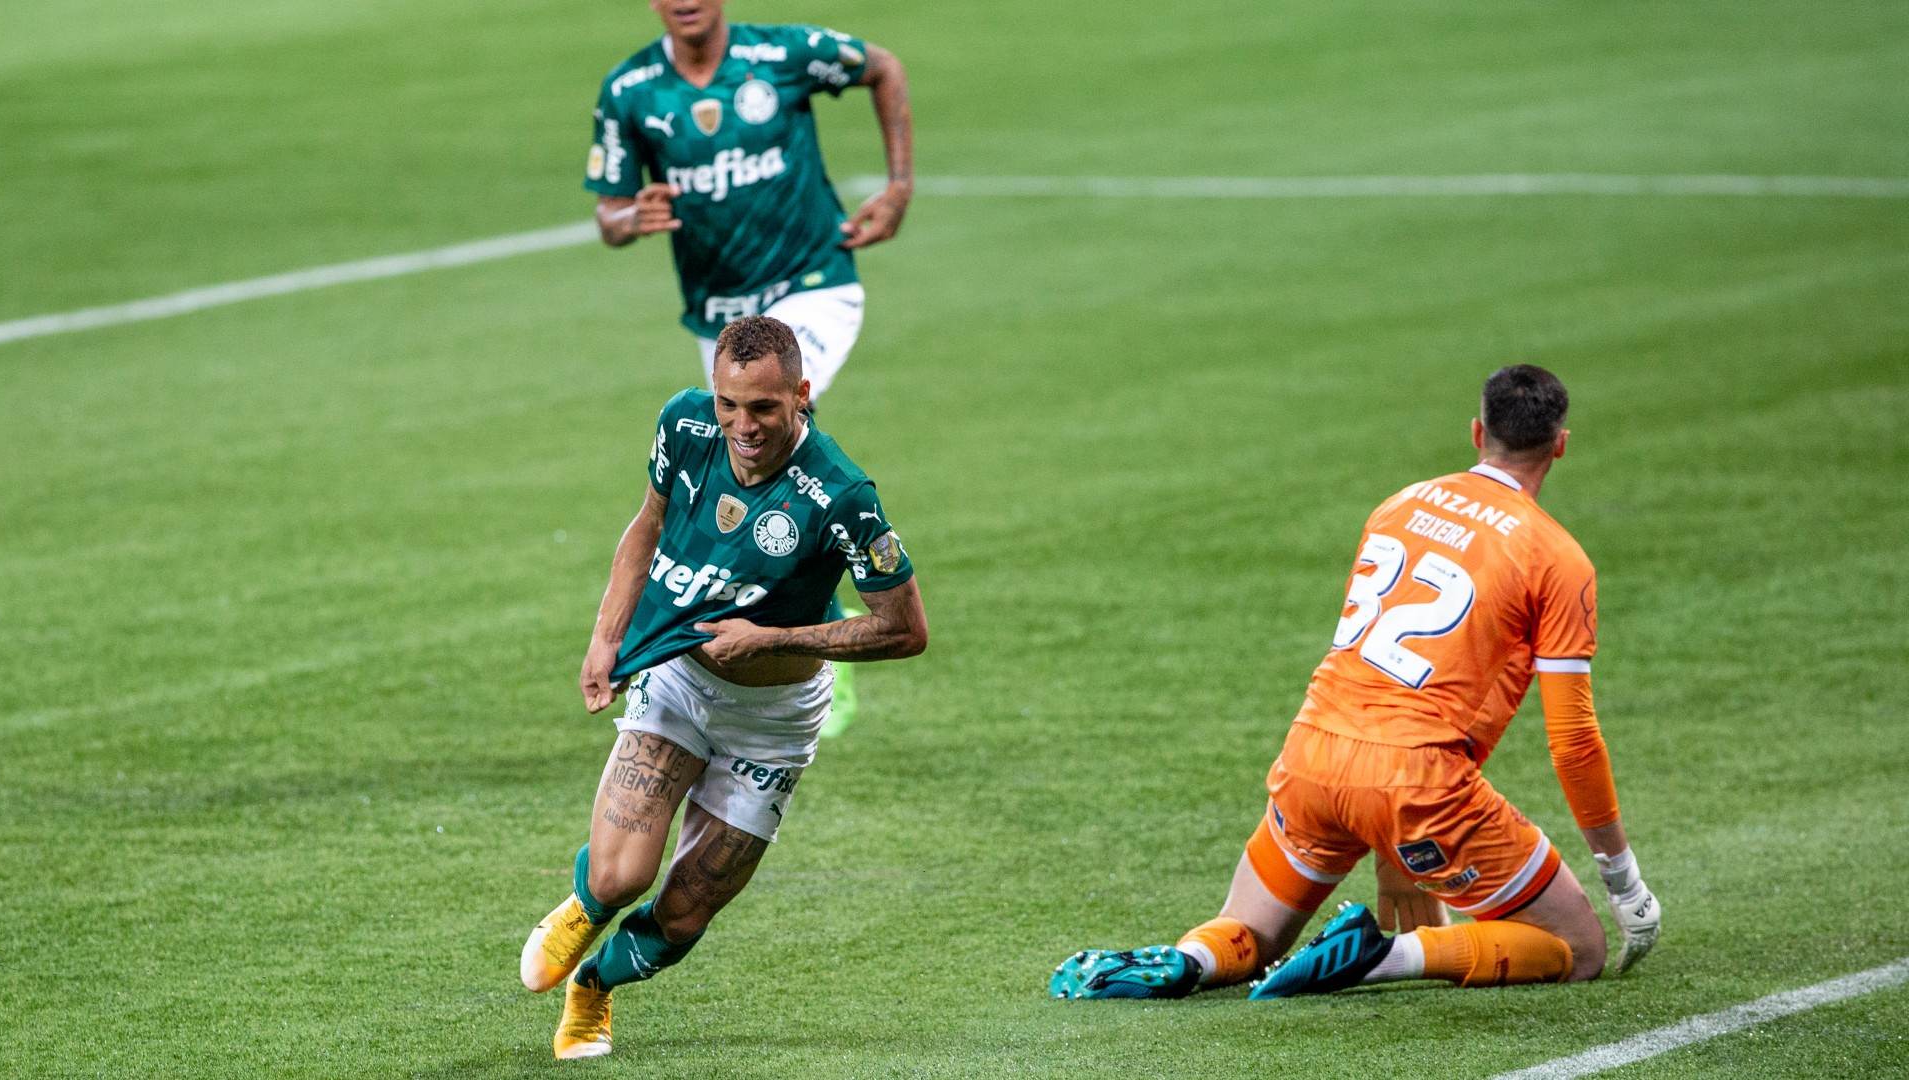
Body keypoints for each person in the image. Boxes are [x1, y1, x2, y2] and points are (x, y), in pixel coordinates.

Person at [1049, 365, 1661, 1001]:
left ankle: (1192, 962)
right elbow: (1573, 740)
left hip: (1311, 756)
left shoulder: (1400, 505)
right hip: (1418, 786)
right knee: (1577, 947)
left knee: (1252, 932)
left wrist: (1395, 859)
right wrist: (1622, 879)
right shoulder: (1557, 558)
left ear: (1477, 431)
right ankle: (1382, 956)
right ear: (1560, 443)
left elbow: (1374, 673)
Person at [519, 316, 927, 1059]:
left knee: (683, 914)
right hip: (679, 676)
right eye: (729, 404)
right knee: (621, 875)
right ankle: (588, 901)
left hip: (775, 719)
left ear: (801, 396)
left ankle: (594, 986)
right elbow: (648, 524)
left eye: (764, 408)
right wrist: (607, 636)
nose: (743, 425)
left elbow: (904, 629)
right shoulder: (683, 425)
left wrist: (772, 639)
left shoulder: (841, 495)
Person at [583, 0, 913, 402]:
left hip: (811, 279)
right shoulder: (629, 90)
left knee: (767, 405)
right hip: (720, 312)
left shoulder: (782, 54)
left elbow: (883, 68)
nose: (686, 2)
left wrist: (898, 188)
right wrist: (633, 218)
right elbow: (609, 217)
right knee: (749, 442)